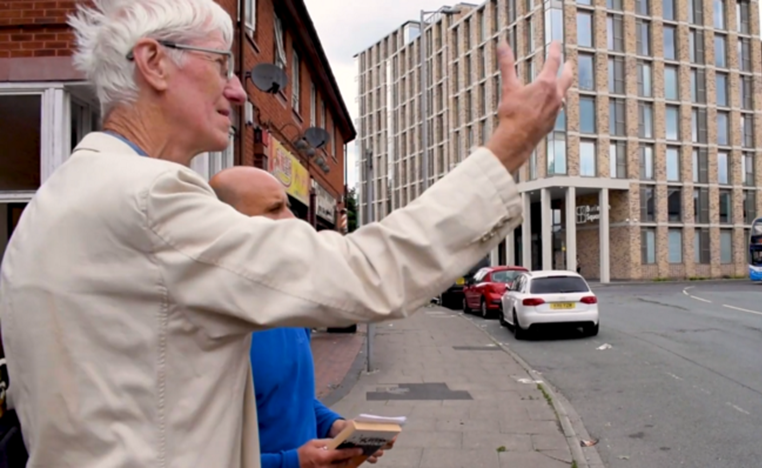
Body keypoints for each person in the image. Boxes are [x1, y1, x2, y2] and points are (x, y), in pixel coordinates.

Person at [0, 0, 573, 466]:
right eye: (221, 65)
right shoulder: (147, 201)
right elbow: (365, 274)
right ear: (152, 62)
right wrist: (509, 147)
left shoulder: (49, 209)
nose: (238, 91)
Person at [209, 167, 391, 468]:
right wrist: (292, 462)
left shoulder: (291, 306)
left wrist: (334, 426)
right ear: (229, 228)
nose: (293, 221)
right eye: (274, 209)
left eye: (289, 207)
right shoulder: (212, 324)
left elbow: (292, 400)